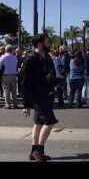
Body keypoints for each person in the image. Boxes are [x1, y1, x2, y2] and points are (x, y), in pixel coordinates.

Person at [22, 34, 58, 162]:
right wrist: (26, 104)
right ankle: (39, 151)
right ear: (39, 44)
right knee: (49, 122)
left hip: (47, 95)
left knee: (38, 124)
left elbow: (49, 75)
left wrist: (55, 81)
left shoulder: (47, 57)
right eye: (47, 42)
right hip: (37, 97)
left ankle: (33, 151)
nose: (49, 43)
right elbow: (25, 82)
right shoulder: (31, 58)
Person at [0, 45, 18, 109]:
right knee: (14, 90)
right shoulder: (15, 57)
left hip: (6, 75)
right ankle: (15, 104)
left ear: (6, 50)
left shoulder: (3, 57)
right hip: (14, 75)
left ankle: (8, 104)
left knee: (6, 90)